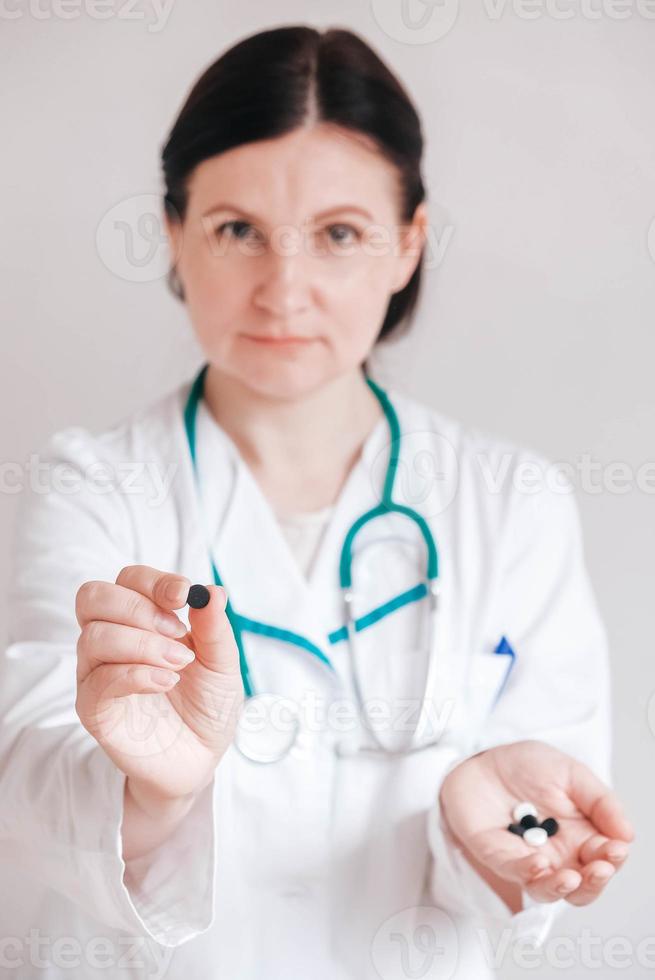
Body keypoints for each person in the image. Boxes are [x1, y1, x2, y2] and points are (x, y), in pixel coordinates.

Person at [0, 24, 634, 980]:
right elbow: (27, 784)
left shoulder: (512, 503)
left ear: (406, 246)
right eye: (237, 230)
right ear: (174, 233)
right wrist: (149, 795)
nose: (282, 291)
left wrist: (493, 828)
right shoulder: (94, 488)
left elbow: (539, 806)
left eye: (339, 234)